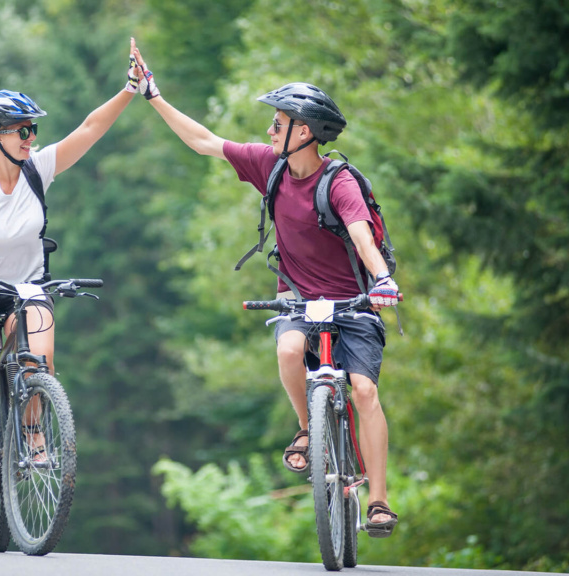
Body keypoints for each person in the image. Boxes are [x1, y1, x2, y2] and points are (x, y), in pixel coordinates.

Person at [131, 41, 401, 537]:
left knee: (363, 389)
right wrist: (154, 96)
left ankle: (378, 501)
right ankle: (307, 427)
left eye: (278, 123)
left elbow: (362, 234)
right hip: (298, 296)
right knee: (289, 350)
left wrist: (382, 281)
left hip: (355, 301)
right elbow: (205, 141)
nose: (269, 130)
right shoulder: (268, 166)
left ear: (305, 132)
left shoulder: (337, 181)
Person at [0, 42, 140, 500]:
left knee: (41, 360)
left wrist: (130, 90)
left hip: (27, 288)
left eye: (32, 130)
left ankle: (32, 436)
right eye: (21, 131)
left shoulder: (38, 169)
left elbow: (90, 129)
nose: (30, 138)